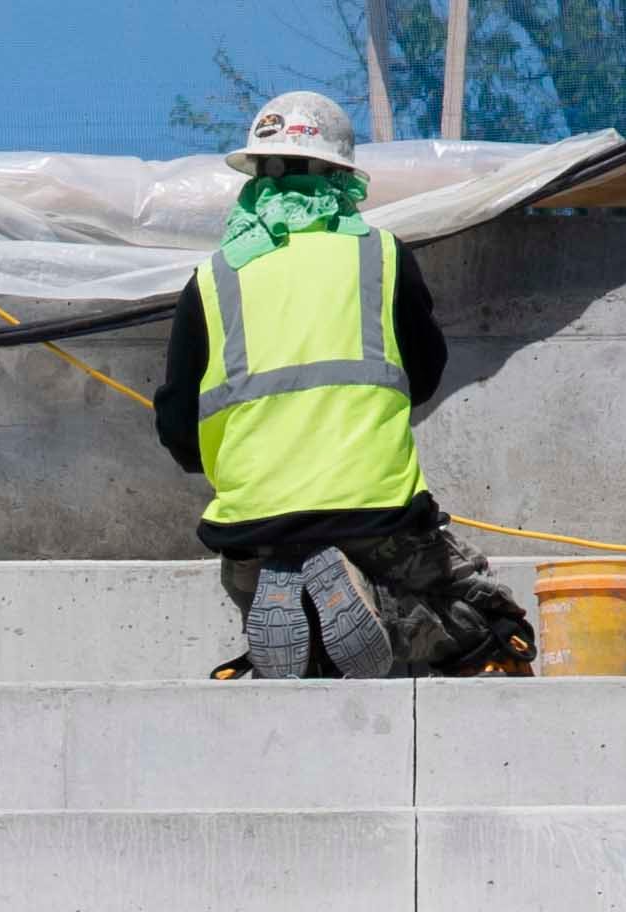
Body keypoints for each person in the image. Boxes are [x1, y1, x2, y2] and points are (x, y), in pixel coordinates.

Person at [151, 90, 529, 684]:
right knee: (479, 614)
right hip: (376, 516)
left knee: (272, 580)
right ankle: (385, 610)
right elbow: (424, 375)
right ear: (342, 178)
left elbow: (178, 428)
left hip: (252, 526)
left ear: (254, 178)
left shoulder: (212, 279)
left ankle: (296, 610)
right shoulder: (381, 257)